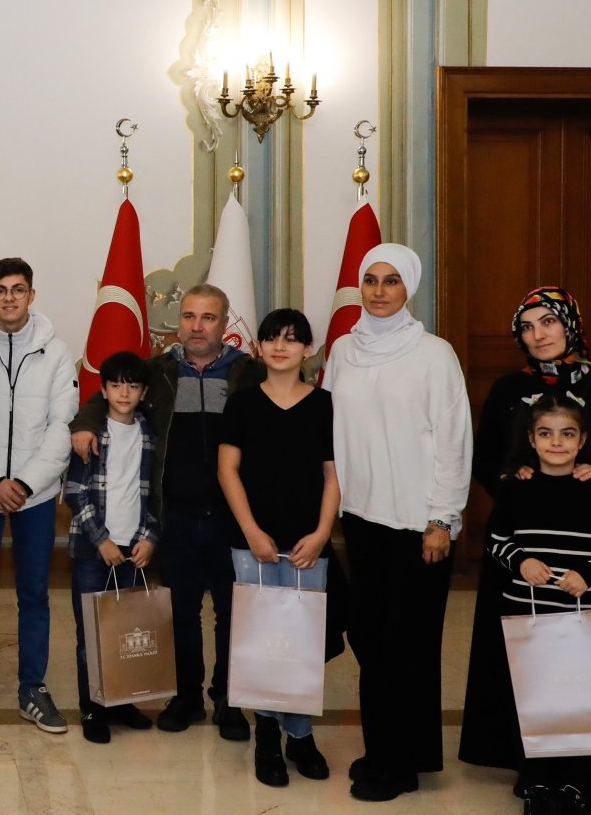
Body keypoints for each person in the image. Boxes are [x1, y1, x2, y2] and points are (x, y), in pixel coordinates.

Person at [460, 287, 591, 809]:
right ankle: (534, 763)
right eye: (527, 327)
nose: (539, 334)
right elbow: (486, 459)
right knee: (529, 657)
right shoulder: (509, 389)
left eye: (548, 322)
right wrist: (514, 477)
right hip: (527, 545)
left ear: (570, 324)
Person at [69, 283, 258, 740]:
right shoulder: (158, 371)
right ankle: (187, 697)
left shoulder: (247, 373)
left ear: (224, 323)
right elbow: (107, 394)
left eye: (208, 317)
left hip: (232, 519)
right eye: (189, 316)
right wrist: (84, 425)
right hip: (174, 517)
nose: (196, 326)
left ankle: (229, 702)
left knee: (233, 613)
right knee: (179, 612)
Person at [322, 243, 472, 802]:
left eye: (391, 281)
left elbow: (454, 440)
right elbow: (331, 431)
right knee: (370, 639)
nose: (379, 291)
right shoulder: (342, 350)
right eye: (370, 280)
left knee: (407, 644)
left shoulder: (434, 353)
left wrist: (442, 518)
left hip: (418, 523)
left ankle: (401, 765)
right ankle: (385, 748)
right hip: (362, 517)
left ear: (409, 288)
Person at [0, 257, 77, 735]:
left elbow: (61, 427)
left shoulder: (56, 351)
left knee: (34, 594)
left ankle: (32, 688)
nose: (9, 297)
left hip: (36, 496)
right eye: (0, 289)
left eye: (18, 289)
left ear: (31, 295)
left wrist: (23, 483)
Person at [216, 308, 337, 788]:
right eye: (271, 339)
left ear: (308, 349)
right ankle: (267, 732)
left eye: (292, 339)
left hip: (309, 541)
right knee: (263, 639)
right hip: (254, 542)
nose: (280, 347)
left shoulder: (326, 404)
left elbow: (334, 474)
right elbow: (228, 470)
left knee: (302, 640)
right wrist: (250, 531)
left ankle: (301, 735)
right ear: (259, 348)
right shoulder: (242, 403)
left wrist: (323, 533)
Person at [63, 350, 160, 744]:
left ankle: (121, 702)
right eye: (116, 385)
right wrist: (100, 539)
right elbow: (75, 491)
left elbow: (156, 495)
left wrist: (150, 537)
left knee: (125, 631)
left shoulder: (150, 434)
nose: (124, 392)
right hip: (93, 550)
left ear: (144, 392)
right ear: (102, 389)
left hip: (133, 549)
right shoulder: (91, 432)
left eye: (132, 386)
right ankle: (92, 708)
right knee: (91, 634)